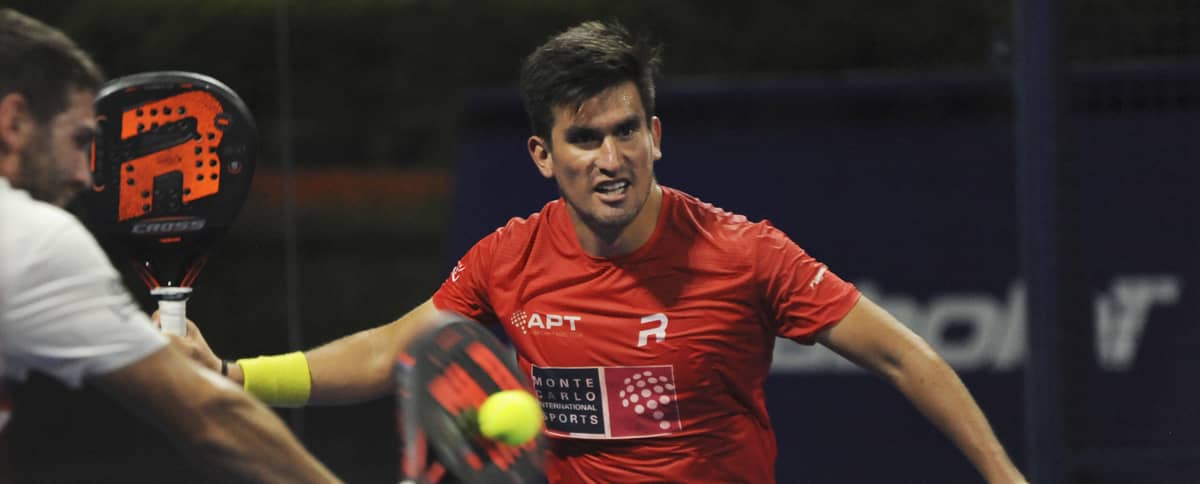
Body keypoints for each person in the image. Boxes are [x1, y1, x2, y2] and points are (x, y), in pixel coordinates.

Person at [180, 20, 1027, 483]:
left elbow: (904, 355)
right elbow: (388, 352)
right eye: (585, 139)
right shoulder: (508, 258)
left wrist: (1002, 476)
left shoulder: (747, 254)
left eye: (627, 131)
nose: (611, 158)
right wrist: (236, 376)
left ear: (656, 135)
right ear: (543, 157)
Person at [0, 9, 341, 483]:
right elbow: (213, 420)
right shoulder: (29, 238)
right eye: (80, 141)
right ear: (15, 122)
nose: (85, 175)